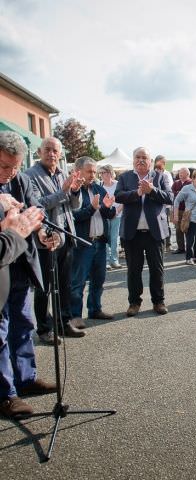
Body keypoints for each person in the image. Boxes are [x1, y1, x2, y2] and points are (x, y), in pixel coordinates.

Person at [0, 131, 59, 418]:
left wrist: (46, 234)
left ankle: (25, 378)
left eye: (14, 166)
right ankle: (6, 394)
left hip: (20, 264)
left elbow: (37, 213)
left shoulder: (20, 181)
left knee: (23, 322)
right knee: (0, 331)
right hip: (0, 264)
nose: (9, 173)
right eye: (3, 166)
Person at [25, 137, 85, 342]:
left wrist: (75, 190)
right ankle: (44, 329)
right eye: (47, 150)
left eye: (55, 151)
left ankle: (64, 322)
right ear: (39, 152)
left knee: (65, 284)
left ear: (60, 154)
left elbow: (74, 206)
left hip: (66, 236)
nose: (52, 154)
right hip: (45, 239)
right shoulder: (30, 176)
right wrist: (64, 191)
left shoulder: (62, 173)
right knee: (45, 287)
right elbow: (37, 204)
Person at [115, 147, 173, 317]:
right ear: (133, 160)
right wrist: (138, 192)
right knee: (133, 270)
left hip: (154, 232)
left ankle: (158, 301)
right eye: (137, 157)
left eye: (144, 158)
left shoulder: (160, 176)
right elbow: (118, 196)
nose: (140, 160)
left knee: (157, 269)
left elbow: (170, 197)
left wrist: (152, 191)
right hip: (132, 233)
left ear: (150, 161)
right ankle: (134, 302)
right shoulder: (125, 177)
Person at [71, 157, 116, 327]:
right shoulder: (74, 191)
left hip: (100, 242)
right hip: (83, 244)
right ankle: (75, 315)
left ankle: (95, 309)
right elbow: (73, 217)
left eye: (94, 171)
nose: (93, 175)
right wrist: (92, 208)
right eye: (89, 171)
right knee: (78, 282)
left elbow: (109, 215)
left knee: (99, 279)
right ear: (78, 171)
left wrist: (107, 207)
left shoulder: (98, 188)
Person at [173, 170, 196, 265]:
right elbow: (176, 201)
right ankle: (188, 258)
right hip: (191, 218)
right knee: (190, 239)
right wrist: (175, 215)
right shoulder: (187, 188)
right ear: (193, 178)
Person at [99, 164, 123, 269]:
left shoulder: (118, 184)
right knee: (106, 238)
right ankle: (106, 261)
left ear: (109, 173)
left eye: (103, 173)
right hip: (104, 215)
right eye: (101, 173)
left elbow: (123, 200)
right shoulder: (100, 186)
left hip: (117, 214)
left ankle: (114, 260)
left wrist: (116, 212)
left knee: (114, 238)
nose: (102, 175)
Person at [154, 155, 173, 251]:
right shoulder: (152, 174)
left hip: (165, 204)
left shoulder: (167, 174)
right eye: (161, 162)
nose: (163, 164)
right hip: (156, 203)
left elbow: (170, 188)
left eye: (164, 163)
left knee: (166, 223)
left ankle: (168, 244)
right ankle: (158, 244)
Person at [171, 168, 192, 254]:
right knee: (178, 229)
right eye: (179, 173)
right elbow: (172, 193)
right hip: (177, 209)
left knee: (187, 228)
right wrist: (180, 193)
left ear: (187, 174)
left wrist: (179, 193)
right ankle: (180, 248)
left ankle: (189, 247)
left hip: (187, 210)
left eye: (182, 173)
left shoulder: (191, 183)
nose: (180, 174)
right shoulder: (176, 183)